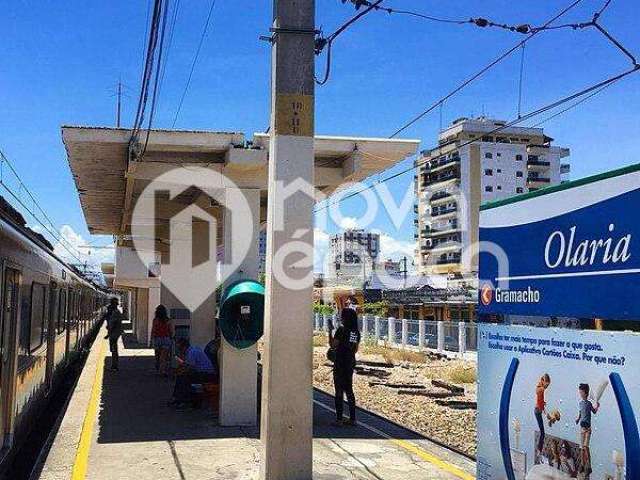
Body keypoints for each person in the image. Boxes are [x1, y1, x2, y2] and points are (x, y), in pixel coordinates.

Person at [330, 308, 361, 426]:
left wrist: (330, 332)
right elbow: (356, 348)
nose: (341, 317)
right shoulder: (356, 332)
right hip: (350, 362)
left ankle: (339, 419)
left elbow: (333, 345)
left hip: (340, 362)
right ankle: (353, 419)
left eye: (342, 316)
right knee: (349, 390)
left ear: (346, 318)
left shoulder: (341, 330)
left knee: (339, 390)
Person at [169, 338, 216, 408]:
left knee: (183, 378)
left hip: (207, 374)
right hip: (204, 373)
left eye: (180, 348)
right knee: (182, 376)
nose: (179, 351)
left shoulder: (192, 352)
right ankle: (178, 398)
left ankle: (183, 400)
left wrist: (178, 372)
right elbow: (186, 365)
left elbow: (189, 368)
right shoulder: (191, 350)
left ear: (184, 347)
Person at [576, 383, 599, 473]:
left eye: (581, 392)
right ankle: (582, 465)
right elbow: (580, 413)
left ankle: (589, 466)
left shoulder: (589, 403)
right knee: (581, 448)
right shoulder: (580, 403)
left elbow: (594, 411)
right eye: (580, 392)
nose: (580, 394)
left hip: (587, 429)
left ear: (586, 393)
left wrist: (597, 406)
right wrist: (578, 419)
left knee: (585, 447)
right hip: (582, 428)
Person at [102, 297, 125, 371]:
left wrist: (108, 334)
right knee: (113, 349)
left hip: (114, 334)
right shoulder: (115, 311)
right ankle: (114, 365)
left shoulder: (115, 312)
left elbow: (113, 324)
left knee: (114, 349)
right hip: (114, 333)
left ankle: (114, 366)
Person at [151, 305, 173, 377]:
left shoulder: (155, 320)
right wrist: (171, 337)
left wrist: (151, 340)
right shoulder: (168, 320)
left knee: (157, 356)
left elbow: (153, 330)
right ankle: (163, 370)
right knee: (163, 357)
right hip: (166, 339)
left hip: (157, 339)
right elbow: (171, 330)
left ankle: (159, 369)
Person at [534, 373, 551, 455]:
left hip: (538, 410)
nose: (547, 387)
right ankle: (539, 450)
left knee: (542, 432)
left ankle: (539, 449)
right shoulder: (541, 389)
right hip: (538, 411)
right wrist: (545, 413)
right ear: (544, 382)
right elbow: (539, 403)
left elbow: (540, 401)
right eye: (547, 385)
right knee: (542, 432)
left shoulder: (540, 388)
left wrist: (543, 405)